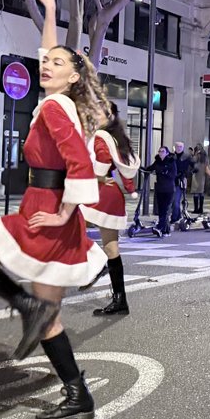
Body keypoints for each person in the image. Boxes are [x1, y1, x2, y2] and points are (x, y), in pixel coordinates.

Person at [0, 0, 109, 419]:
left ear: (74, 77)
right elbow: (47, 50)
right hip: (51, 212)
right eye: (47, 61)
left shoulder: (57, 106)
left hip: (45, 212)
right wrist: (52, 10)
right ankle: (76, 393)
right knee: (48, 318)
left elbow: (79, 162)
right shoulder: (59, 100)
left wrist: (61, 215)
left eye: (58, 64)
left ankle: (26, 309)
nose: (47, 64)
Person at [78, 101, 140, 317]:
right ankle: (120, 300)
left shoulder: (102, 137)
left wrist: (90, 175)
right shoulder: (117, 137)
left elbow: (102, 164)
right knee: (112, 247)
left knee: (69, 226)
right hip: (112, 195)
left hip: (100, 193)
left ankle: (99, 263)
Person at [141, 146, 177, 235]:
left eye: (163, 151)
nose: (161, 153)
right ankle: (165, 229)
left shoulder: (171, 162)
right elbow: (150, 168)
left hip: (169, 189)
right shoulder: (157, 161)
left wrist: (163, 172)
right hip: (160, 188)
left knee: (165, 209)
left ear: (167, 153)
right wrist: (141, 168)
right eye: (160, 151)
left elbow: (173, 174)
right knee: (161, 209)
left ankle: (160, 227)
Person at [172, 141, 192, 225]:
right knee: (173, 201)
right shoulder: (172, 157)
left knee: (176, 200)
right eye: (177, 146)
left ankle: (175, 217)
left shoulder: (187, 157)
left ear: (183, 147)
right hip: (172, 180)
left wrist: (187, 174)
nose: (179, 148)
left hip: (180, 180)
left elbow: (193, 165)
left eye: (180, 146)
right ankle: (177, 216)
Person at [190, 145, 208, 216]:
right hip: (203, 176)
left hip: (196, 176)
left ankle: (196, 209)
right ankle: (201, 208)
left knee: (196, 193)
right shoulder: (205, 158)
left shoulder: (196, 157)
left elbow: (192, 164)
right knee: (201, 192)